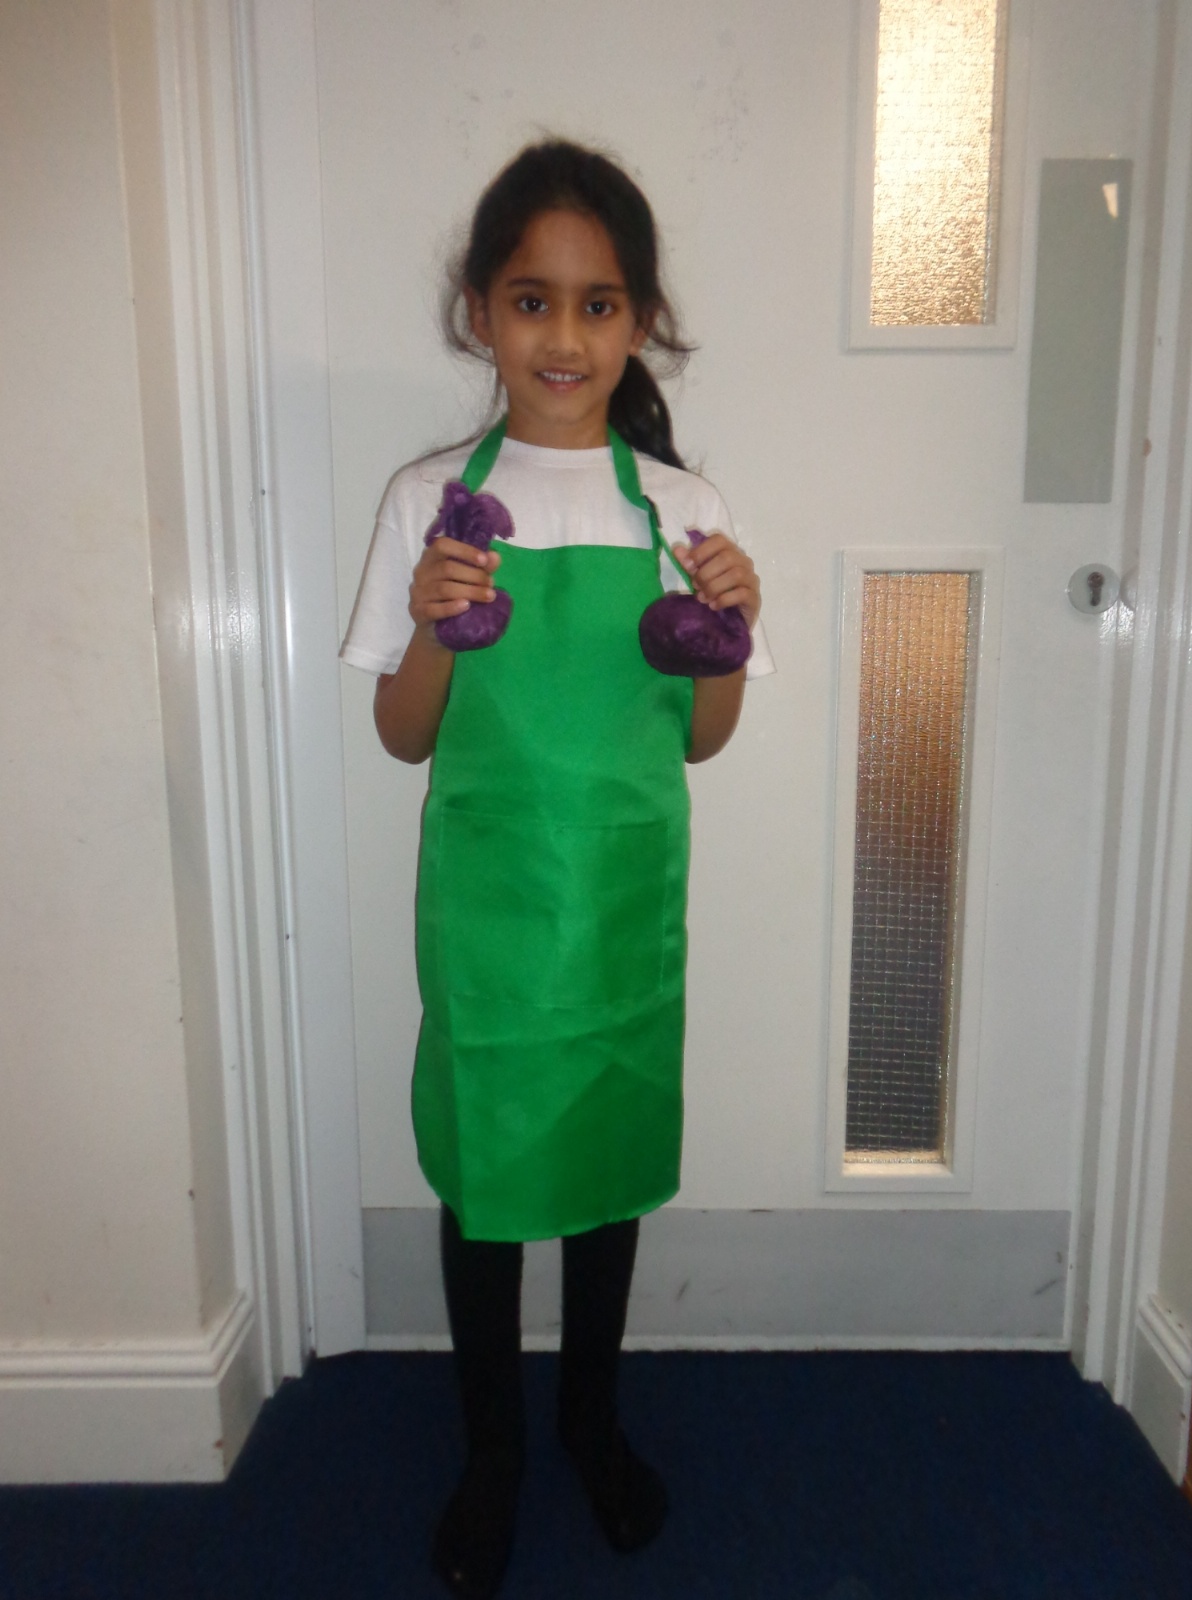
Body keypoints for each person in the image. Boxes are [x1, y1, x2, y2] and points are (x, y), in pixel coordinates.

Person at [340, 139, 773, 1599]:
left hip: (625, 917)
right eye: (534, 301)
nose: (566, 336)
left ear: (640, 320)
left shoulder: (686, 509)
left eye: (599, 305)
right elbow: (403, 737)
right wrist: (429, 620)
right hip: (491, 917)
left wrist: (732, 628)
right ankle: (494, 1450)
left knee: (601, 1174)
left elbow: (703, 739)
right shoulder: (430, 501)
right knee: (487, 1179)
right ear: (482, 312)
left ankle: (591, 1419)